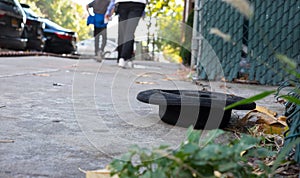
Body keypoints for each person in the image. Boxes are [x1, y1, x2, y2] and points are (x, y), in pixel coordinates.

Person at [105, 0, 146, 68]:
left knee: (125, 31)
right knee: (128, 31)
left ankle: (123, 57)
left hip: (124, 3)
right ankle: (125, 57)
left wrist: (109, 10)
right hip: (136, 3)